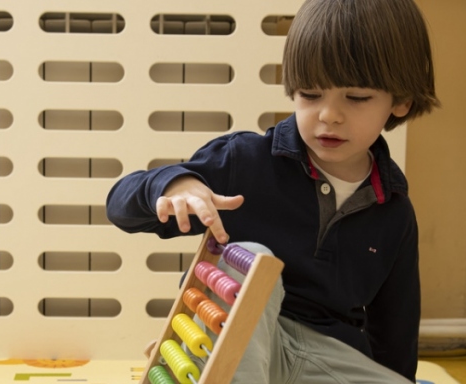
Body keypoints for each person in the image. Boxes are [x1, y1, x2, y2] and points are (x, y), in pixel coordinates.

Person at [106, 0, 439, 382]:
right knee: (249, 257)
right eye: (310, 94)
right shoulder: (244, 161)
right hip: (239, 340)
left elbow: (394, 326)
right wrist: (178, 185)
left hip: (323, 358)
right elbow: (120, 204)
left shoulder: (393, 211)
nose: (328, 115)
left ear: (400, 101)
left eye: (357, 97)